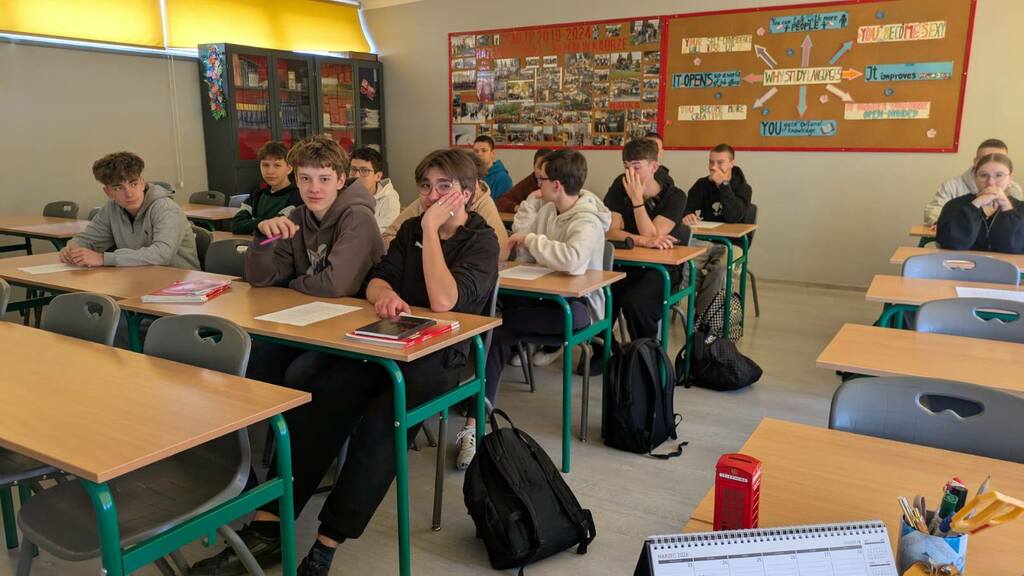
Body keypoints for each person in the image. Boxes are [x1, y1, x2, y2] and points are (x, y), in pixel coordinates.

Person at [192, 149, 499, 576]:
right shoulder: (410, 228)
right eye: (426, 186)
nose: (431, 196)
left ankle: (327, 542)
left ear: (465, 194)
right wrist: (384, 295)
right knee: (318, 398)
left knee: (382, 424)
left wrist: (431, 230)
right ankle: (268, 526)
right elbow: (378, 277)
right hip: (387, 342)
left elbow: (445, 300)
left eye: (443, 187)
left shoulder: (480, 240)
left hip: (441, 355)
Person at [457, 148, 610, 468]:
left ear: (556, 185)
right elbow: (524, 255)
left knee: (498, 327)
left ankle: (474, 408)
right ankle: (474, 418)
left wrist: (530, 241)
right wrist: (528, 239)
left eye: (541, 180)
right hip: (543, 298)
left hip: (579, 308)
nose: (536, 184)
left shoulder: (588, 219)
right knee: (494, 324)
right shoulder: (548, 210)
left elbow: (573, 261)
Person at [604, 138, 688, 340]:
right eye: (626, 167)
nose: (630, 174)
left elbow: (652, 235)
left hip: (661, 269)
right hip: (625, 264)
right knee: (600, 297)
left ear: (654, 167)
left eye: (636, 167)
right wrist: (642, 241)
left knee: (637, 305)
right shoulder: (619, 186)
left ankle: (645, 352)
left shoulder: (675, 196)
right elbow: (610, 232)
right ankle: (604, 350)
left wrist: (637, 201)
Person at [60, 151, 198, 269]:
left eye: (133, 184)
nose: (129, 193)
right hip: (138, 278)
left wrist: (103, 258)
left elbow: (161, 254)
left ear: (142, 183)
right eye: (118, 188)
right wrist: (72, 249)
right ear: (108, 192)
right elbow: (88, 239)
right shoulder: (111, 209)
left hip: (182, 284)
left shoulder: (166, 209)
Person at [383, 153, 509, 256]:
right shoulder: (429, 200)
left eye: (445, 185)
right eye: (427, 185)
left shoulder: (483, 203)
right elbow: (387, 238)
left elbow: (502, 251)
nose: (433, 195)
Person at [683, 143, 754, 319]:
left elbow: (733, 217)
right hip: (704, 240)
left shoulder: (743, 188)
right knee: (683, 266)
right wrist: (687, 214)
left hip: (733, 243)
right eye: (711, 162)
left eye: (720, 162)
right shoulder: (702, 184)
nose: (714, 167)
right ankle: (701, 309)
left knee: (721, 270)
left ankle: (702, 318)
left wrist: (723, 185)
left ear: (731, 163)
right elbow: (685, 207)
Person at [937, 153, 1024, 253]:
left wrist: (1006, 206)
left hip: (1008, 264)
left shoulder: (1021, 208)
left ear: (1010, 178)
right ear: (975, 178)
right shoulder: (955, 205)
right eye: (983, 175)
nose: (990, 182)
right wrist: (975, 205)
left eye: (999, 175)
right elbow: (951, 244)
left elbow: (1016, 248)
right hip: (964, 262)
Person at [924, 139, 1024, 225]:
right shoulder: (952, 185)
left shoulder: (1013, 188)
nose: (991, 161)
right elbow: (933, 212)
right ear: (975, 162)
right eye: (984, 158)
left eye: (999, 158)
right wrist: (946, 224)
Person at [230, 141, 301, 234]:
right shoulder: (257, 194)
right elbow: (236, 225)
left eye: (277, 165)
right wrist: (261, 224)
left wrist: (252, 224)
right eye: (265, 165)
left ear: (289, 169)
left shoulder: (297, 197)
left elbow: (275, 228)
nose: (270, 171)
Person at [349, 146, 400, 233]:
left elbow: (382, 235)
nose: (356, 176)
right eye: (353, 169)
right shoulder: (343, 193)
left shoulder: (389, 201)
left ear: (378, 176)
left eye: (364, 171)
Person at [494, 147, 551, 212]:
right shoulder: (529, 182)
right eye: (539, 167)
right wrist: (521, 208)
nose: (542, 172)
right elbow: (500, 202)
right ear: (533, 167)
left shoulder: (557, 183)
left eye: (547, 168)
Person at [473, 135, 513, 199]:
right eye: (476, 151)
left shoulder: (503, 178)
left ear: (492, 153)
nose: (479, 154)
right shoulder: (470, 174)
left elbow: (503, 204)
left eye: (484, 150)